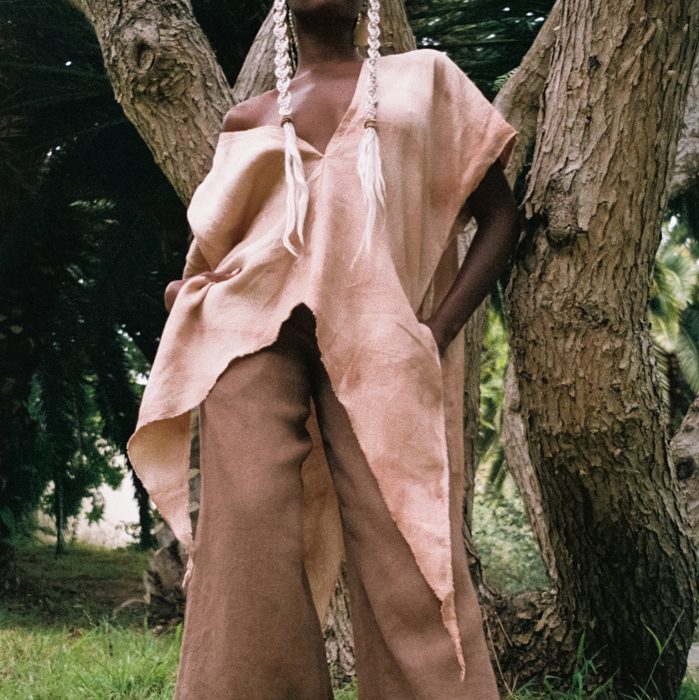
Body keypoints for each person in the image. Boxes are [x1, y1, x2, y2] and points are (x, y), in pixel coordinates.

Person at [127, 0, 520, 697]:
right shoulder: (247, 120)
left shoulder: (425, 80)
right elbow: (214, 248)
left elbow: (499, 217)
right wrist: (194, 298)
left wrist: (434, 333)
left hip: (379, 342)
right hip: (250, 340)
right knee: (247, 546)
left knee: (409, 544)